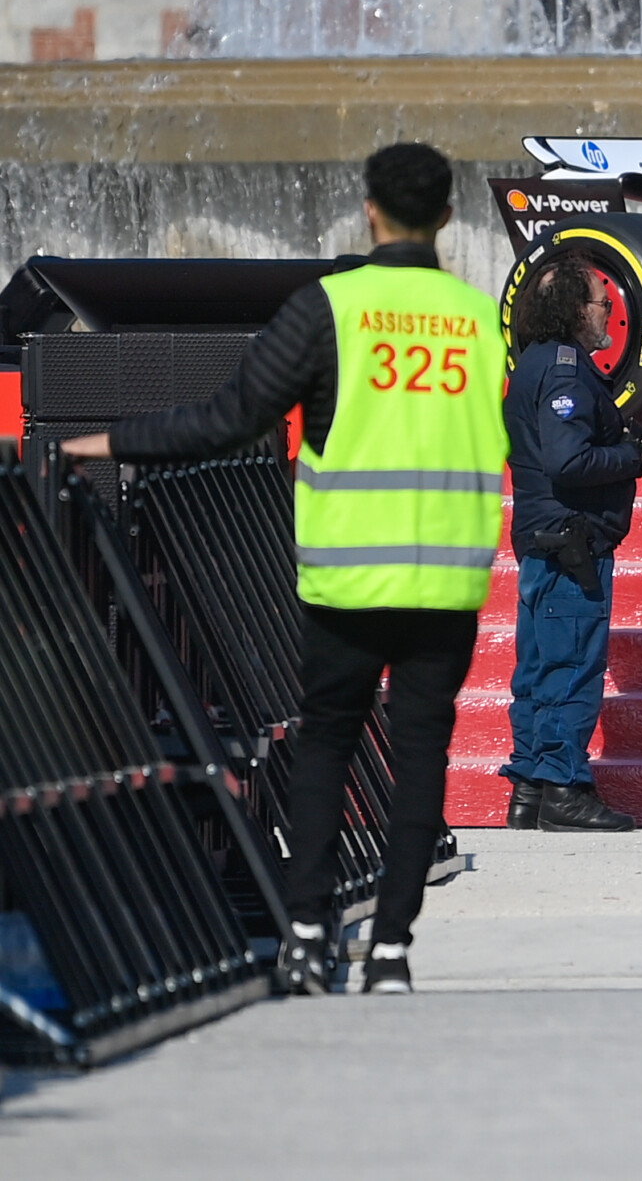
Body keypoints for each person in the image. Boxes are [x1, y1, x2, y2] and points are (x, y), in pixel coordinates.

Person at [63, 144, 506, 996]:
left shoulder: (329, 310)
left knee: (326, 744)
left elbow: (231, 418)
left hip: (346, 578)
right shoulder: (479, 320)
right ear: (447, 218)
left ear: (369, 210)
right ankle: (391, 952)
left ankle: (305, 935)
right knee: (420, 760)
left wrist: (113, 439)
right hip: (445, 580)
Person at [500, 256, 642, 833]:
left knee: (539, 669)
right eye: (602, 302)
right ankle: (564, 786)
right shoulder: (566, 370)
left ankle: (532, 788)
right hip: (571, 544)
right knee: (571, 667)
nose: (610, 313)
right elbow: (569, 459)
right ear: (574, 310)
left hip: (547, 540)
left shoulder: (537, 363)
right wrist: (633, 457)